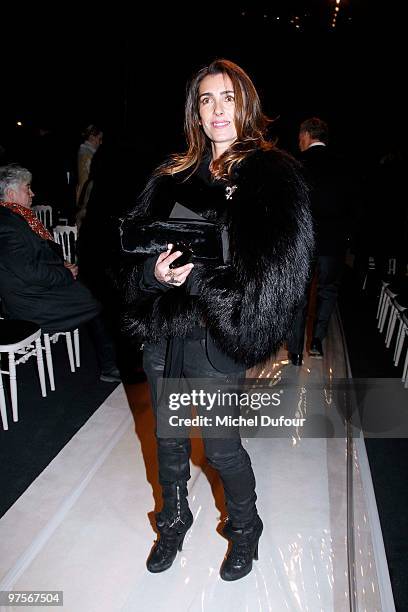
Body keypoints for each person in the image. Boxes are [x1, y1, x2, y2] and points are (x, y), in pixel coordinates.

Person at [121, 59, 313, 581]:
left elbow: (278, 276)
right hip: (165, 331)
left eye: (227, 97)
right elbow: (136, 255)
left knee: (223, 445)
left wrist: (203, 282)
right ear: (196, 112)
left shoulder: (271, 177)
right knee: (169, 435)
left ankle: (245, 528)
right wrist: (154, 275)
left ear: (244, 104)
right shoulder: (173, 176)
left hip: (218, 334)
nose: (217, 109)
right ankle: (174, 519)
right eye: (207, 99)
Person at [0, 164, 120, 383]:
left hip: (35, 290)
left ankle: (111, 363)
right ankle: (110, 366)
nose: (32, 193)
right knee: (99, 299)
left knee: (96, 290)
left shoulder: (16, 218)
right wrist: (65, 274)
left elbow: (37, 257)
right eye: (27, 188)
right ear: (11, 194)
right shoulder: (7, 225)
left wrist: (62, 265)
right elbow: (30, 272)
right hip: (30, 301)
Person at [287, 117, 356, 364]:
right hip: (333, 241)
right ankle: (316, 341)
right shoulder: (343, 165)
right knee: (328, 291)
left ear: (306, 135)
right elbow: (351, 206)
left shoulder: (297, 164)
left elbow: (290, 207)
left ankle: (294, 352)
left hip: (304, 241)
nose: (299, 141)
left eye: (299, 137)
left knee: (299, 295)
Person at [75, 124, 103, 225]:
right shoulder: (87, 154)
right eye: (99, 139)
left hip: (84, 192)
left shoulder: (85, 152)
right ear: (91, 137)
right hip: (87, 194)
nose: (101, 142)